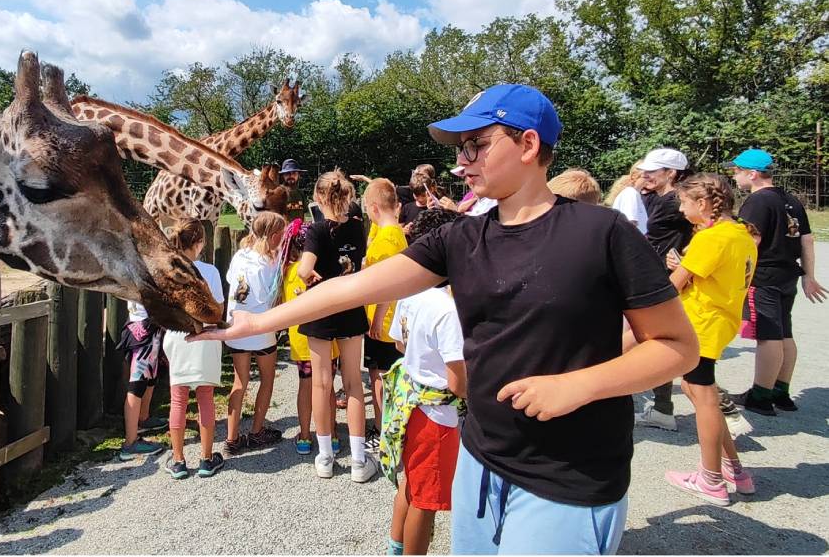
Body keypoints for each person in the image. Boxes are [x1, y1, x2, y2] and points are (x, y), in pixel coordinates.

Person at [190, 83, 698, 554]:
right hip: (480, 459)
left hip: (569, 476)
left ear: (526, 144)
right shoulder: (461, 238)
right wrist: (255, 324)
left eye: (474, 145)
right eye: (458, 148)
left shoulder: (603, 233)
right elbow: (351, 287)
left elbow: (676, 347)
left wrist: (579, 386)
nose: (460, 162)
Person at [662, 174, 758, 505]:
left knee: (703, 398)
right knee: (703, 394)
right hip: (720, 320)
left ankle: (712, 479)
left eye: (684, 203)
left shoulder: (711, 238)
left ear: (702, 204)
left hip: (701, 323)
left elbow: (674, 284)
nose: (681, 209)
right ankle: (733, 469)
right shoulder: (740, 234)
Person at [383, 208, 467, 555]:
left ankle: (395, 545)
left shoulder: (412, 292)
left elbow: (400, 343)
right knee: (427, 499)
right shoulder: (448, 310)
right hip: (439, 417)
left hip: (410, 404)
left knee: (411, 483)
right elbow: (458, 382)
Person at [724, 149, 828, 414]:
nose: (734, 177)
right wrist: (808, 275)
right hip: (786, 275)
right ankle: (780, 390)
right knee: (784, 332)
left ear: (753, 173)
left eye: (736, 171)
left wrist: (736, 276)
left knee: (768, 335)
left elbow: (751, 240)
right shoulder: (790, 199)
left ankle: (761, 395)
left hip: (764, 275)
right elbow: (806, 238)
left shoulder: (758, 202)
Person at [298, 169, 378, 482]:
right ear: (348, 197)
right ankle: (359, 461)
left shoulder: (316, 230)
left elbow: (305, 269)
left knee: (321, 382)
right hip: (350, 307)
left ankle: (326, 457)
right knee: (353, 384)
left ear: (318, 197)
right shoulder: (358, 228)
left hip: (320, 308)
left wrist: (310, 276)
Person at [634, 148, 695, 431]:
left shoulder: (676, 202)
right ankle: (662, 408)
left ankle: (719, 405)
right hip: (652, 274)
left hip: (668, 277)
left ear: (671, 173)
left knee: (666, 342)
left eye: (653, 171)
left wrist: (687, 258)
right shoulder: (655, 198)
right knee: (655, 341)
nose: (646, 175)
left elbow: (707, 228)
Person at [161, 220, 226, 479]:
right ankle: (206, 458)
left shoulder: (167, 271)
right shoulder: (209, 271)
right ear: (199, 243)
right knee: (205, 397)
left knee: (178, 398)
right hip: (204, 337)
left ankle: (178, 460)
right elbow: (218, 309)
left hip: (177, 337)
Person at [223, 211, 288, 455]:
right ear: (273, 236)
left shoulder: (240, 255)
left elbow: (232, 279)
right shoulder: (270, 263)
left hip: (237, 325)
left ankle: (231, 437)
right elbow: (271, 296)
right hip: (260, 327)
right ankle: (257, 431)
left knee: (240, 381)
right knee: (267, 379)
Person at [279, 218, 341, 456]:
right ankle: (332, 434)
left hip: (301, 336)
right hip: (327, 334)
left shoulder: (288, 272)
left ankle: (305, 435)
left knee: (306, 385)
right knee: (329, 386)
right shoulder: (325, 269)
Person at [361, 178, 408, 450]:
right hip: (392, 321)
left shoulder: (387, 241)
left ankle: (382, 429)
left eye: (368, 208)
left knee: (379, 378)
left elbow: (387, 284)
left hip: (384, 322)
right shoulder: (394, 232)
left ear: (375, 208)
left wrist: (377, 318)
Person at [116, 305, 168, 460]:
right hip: (143, 331)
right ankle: (130, 443)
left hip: (151, 328)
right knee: (136, 386)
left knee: (151, 377)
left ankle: (143, 418)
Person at [606, 160, 649, 233]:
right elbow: (630, 224)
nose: (651, 179)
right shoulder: (631, 193)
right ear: (634, 176)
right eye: (646, 176)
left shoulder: (633, 193)